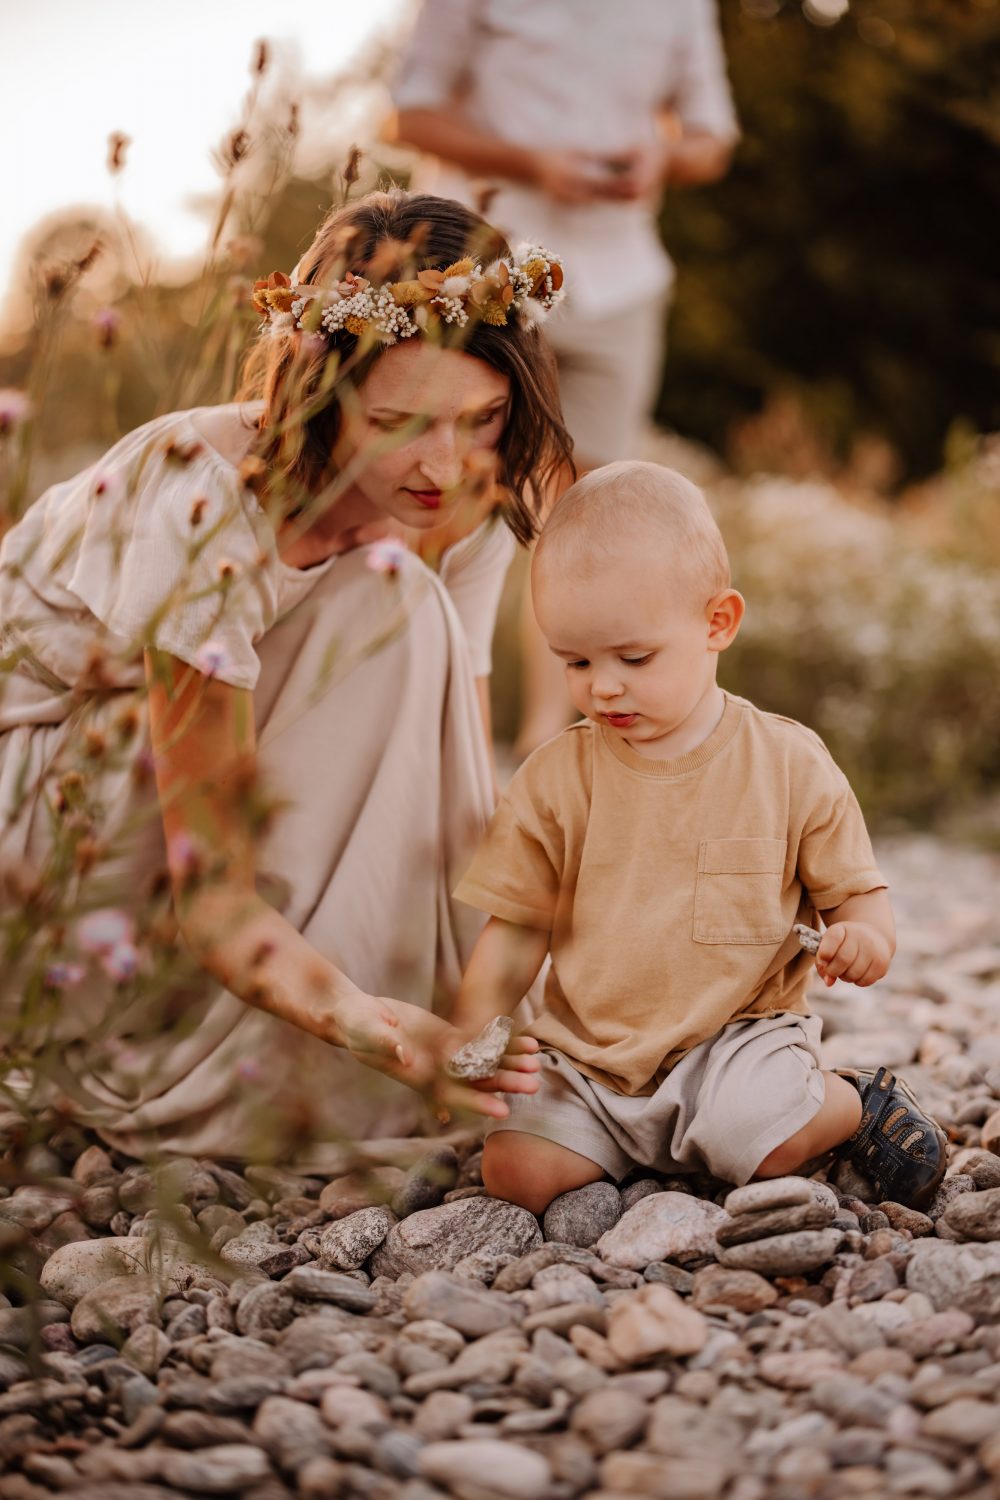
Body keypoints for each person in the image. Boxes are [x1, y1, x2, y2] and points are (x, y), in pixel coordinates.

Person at [0, 191, 567, 1165]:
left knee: (398, 606)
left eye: (480, 419)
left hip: (207, 814)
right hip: (61, 833)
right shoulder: (201, 496)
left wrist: (494, 1006)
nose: (443, 464)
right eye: (398, 422)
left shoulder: (466, 489)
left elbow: (455, 792)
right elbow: (212, 888)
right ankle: (235, 1063)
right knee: (383, 600)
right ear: (313, 391)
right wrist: (376, 1029)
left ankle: (408, 1032)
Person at [447, 461, 947, 1212]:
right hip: (589, 1055)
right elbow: (517, 930)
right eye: (575, 662)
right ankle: (650, 1144)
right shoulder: (555, 779)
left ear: (717, 623)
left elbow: (860, 901)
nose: (602, 686)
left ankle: (851, 1101)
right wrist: (469, 1031)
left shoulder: (785, 762)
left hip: (734, 1043)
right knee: (514, 1172)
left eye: (633, 658)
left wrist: (865, 941)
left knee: (769, 1139)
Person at [387, 0, 740, 752]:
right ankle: (427, 720)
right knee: (449, 490)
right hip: (483, 266)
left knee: (585, 521)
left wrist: (663, 160)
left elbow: (712, 139)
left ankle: (554, 738)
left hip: (621, 280)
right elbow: (410, 114)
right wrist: (534, 164)